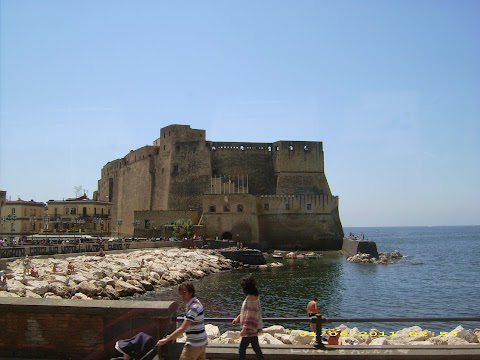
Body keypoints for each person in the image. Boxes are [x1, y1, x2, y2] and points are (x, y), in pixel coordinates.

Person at [156, 282, 208, 360]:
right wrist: (173, 336)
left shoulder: (193, 308)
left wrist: (166, 340)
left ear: (191, 293)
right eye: (180, 294)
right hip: (202, 342)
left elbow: (183, 328)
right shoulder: (196, 303)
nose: (182, 296)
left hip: (194, 344)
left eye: (184, 293)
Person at [232, 275, 264, 360]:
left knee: (242, 349)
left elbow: (250, 316)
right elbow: (246, 311)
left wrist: (244, 329)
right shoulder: (254, 296)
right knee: (256, 348)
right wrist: (238, 318)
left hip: (249, 330)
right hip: (254, 328)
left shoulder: (250, 299)